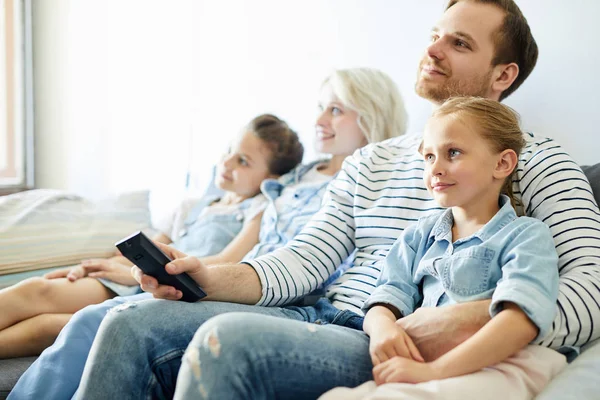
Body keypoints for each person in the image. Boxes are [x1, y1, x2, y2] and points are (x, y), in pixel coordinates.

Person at [69, 1, 600, 399]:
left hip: (389, 342)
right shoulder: (369, 161)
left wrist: (474, 319)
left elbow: (591, 291)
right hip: (323, 314)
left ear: (503, 75)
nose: (432, 50)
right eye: (434, 35)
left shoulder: (538, 160)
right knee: (125, 321)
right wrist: (208, 277)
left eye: (459, 44)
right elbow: (303, 261)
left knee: (227, 342)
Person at [8, 67, 408, 400]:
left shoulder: (381, 184)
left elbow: (320, 268)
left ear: (372, 116)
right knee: (98, 318)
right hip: (252, 279)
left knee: (102, 318)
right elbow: (252, 245)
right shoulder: (293, 180)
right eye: (321, 108)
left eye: (335, 110)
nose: (320, 121)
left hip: (291, 299)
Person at [319, 96, 567, 400]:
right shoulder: (418, 236)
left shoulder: (526, 235)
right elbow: (384, 299)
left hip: (498, 364)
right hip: (422, 367)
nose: (436, 168)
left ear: (502, 163)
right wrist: (384, 329)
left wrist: (434, 372)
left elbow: (520, 321)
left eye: (453, 153)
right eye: (428, 157)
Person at [0, 113, 303, 359]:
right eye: (229, 152)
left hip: (164, 291)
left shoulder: (260, 211)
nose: (225, 164)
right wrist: (96, 265)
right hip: (133, 282)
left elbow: (226, 262)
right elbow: (148, 245)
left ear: (271, 179)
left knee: (49, 327)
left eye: (243, 162)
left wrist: (140, 273)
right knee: (37, 291)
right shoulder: (193, 205)